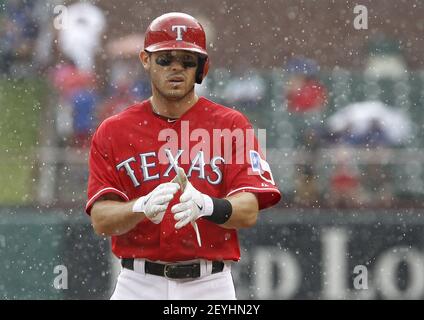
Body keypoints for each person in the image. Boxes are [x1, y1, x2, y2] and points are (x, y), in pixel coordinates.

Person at [85, 12, 281, 300]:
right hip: (137, 284)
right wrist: (139, 207)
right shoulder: (113, 130)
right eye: (165, 59)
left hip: (210, 284)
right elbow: (101, 219)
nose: (176, 68)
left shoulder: (231, 124)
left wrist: (208, 206)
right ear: (145, 60)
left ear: (203, 67)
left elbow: (249, 209)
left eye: (187, 60)